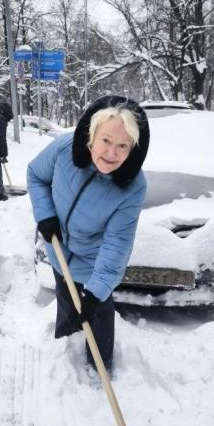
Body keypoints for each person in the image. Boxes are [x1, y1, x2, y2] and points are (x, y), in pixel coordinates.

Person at [27, 95, 150, 373]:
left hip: (95, 261)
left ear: (133, 149)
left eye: (123, 146)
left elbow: (117, 243)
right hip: (59, 247)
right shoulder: (63, 150)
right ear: (91, 135)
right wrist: (45, 216)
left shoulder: (133, 187)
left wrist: (95, 292)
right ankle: (64, 353)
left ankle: (99, 367)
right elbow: (36, 175)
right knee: (66, 300)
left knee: (98, 312)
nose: (111, 153)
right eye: (106, 140)